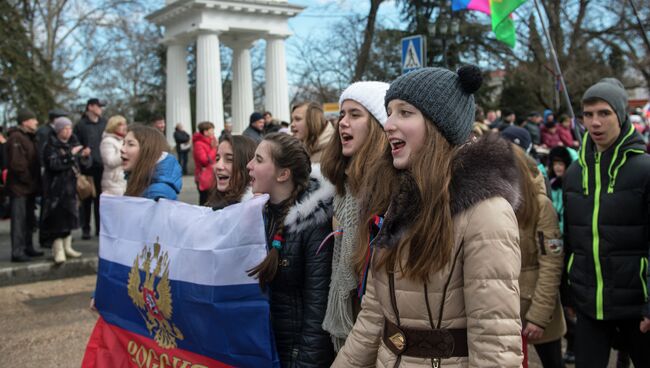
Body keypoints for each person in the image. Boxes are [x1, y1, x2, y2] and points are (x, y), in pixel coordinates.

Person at [333, 66, 523, 367]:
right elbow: (372, 317)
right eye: (389, 112)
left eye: (405, 113)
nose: (389, 124)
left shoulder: (486, 213)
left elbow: (495, 342)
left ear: (439, 126)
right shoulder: (400, 200)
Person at [564, 78, 650, 367]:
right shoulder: (575, 173)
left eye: (604, 113)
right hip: (590, 305)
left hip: (638, 306)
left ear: (621, 115)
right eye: (588, 115)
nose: (595, 122)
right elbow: (570, 238)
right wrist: (568, 292)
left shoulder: (644, 169)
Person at [246, 133, 335, 367]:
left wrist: (305, 363)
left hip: (294, 356)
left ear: (283, 174)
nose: (249, 165)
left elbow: (318, 311)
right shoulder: (255, 217)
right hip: (261, 350)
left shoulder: (314, 224)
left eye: (259, 159)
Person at [319, 81, 390, 350]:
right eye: (342, 115)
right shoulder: (343, 188)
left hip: (379, 331)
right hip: (350, 325)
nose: (343, 123)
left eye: (355, 114)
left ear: (378, 126)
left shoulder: (390, 188)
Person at [511, 145, 566, 368]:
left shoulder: (541, 206)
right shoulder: (491, 204)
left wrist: (539, 316)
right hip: (506, 307)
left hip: (537, 304)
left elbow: (551, 264)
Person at [41, 117, 91, 264]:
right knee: (58, 221)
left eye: (70, 128)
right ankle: (58, 250)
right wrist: (71, 155)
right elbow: (53, 164)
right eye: (65, 129)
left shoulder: (73, 143)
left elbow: (82, 165)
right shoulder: (50, 145)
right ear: (58, 130)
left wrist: (84, 157)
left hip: (71, 188)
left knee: (70, 218)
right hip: (56, 190)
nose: (68, 132)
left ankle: (67, 246)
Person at [6, 109, 44, 262]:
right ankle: (17, 251)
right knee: (19, 221)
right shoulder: (16, 137)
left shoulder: (29, 137)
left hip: (29, 188)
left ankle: (28, 247)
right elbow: (17, 164)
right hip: (19, 188)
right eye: (33, 119)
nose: (36, 122)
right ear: (25, 122)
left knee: (29, 220)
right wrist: (28, 179)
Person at [74, 98, 107, 239]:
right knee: (86, 199)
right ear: (91, 107)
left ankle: (100, 229)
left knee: (101, 200)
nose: (101, 109)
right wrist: (82, 152)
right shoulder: (81, 125)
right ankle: (85, 229)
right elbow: (75, 144)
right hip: (87, 168)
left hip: (102, 167)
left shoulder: (105, 123)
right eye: (99, 106)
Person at [121, 125, 182, 200]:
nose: (122, 149)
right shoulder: (142, 181)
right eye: (123, 143)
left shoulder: (156, 194)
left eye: (131, 144)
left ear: (148, 150)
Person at [205, 134, 256, 210]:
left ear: (248, 165)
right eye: (217, 159)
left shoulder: (255, 210)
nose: (218, 166)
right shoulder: (214, 204)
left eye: (229, 159)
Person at [100, 115, 127, 196]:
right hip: (112, 183)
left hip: (122, 182)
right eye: (121, 124)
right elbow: (110, 162)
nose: (125, 127)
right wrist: (125, 153)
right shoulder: (107, 141)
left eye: (125, 124)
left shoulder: (123, 140)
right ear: (113, 126)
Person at [192, 121, 217, 205]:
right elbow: (204, 161)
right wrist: (214, 149)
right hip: (203, 178)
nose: (213, 132)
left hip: (212, 176)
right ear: (205, 132)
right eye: (212, 130)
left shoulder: (211, 142)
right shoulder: (198, 144)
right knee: (205, 202)